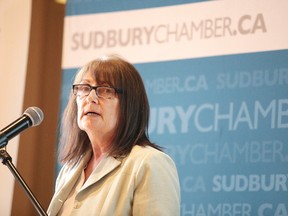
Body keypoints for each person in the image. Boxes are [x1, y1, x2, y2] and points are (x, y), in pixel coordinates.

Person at [47, 54, 180, 215]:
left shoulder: (149, 163)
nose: (91, 98)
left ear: (128, 105)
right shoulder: (69, 170)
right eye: (84, 88)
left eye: (105, 90)